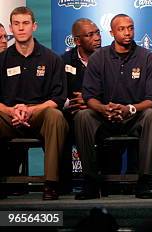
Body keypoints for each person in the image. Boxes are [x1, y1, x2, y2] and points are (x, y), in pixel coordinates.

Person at [74, 13, 152, 199]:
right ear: (112, 32)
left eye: (130, 28)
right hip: (105, 117)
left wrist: (130, 109)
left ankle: (144, 180)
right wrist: (104, 109)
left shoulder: (147, 58)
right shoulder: (99, 57)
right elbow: (90, 96)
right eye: (121, 29)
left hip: (134, 117)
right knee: (83, 116)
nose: (127, 33)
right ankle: (90, 181)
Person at [0, 6, 68, 200]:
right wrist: (11, 110)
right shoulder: (2, 60)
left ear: (34, 26)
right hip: (9, 117)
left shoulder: (52, 59)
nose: (21, 28)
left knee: (55, 116)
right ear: (11, 28)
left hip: (40, 116)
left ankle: (51, 183)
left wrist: (31, 110)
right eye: (16, 24)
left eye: (26, 23)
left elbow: (58, 99)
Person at [59, 18, 102, 193]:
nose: (97, 38)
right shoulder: (63, 61)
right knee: (60, 124)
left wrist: (91, 101)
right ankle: (63, 184)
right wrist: (71, 103)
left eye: (98, 32)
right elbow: (56, 92)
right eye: (90, 35)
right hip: (70, 114)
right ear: (77, 41)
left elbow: (118, 90)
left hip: (101, 114)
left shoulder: (109, 58)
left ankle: (108, 181)